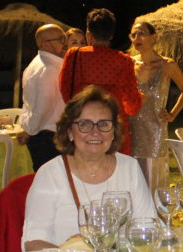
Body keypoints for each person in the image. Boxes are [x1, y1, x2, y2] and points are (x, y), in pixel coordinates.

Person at [22, 86, 156, 250]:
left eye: (104, 124)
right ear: (70, 131)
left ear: (114, 131)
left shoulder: (129, 168)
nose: (95, 132)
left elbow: (148, 228)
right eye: (85, 124)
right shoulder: (50, 174)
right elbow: (33, 242)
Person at [58, 8, 141, 154]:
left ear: (89, 34)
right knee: (115, 171)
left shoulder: (74, 55)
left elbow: (65, 91)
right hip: (114, 126)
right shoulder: (124, 60)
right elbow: (131, 102)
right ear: (111, 35)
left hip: (83, 124)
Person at [127, 18, 183, 185]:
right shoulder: (128, 63)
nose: (137, 38)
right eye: (133, 35)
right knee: (132, 177)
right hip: (130, 128)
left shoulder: (166, 65)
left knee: (153, 179)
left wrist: (172, 114)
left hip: (155, 129)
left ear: (154, 37)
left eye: (141, 34)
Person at [18, 23, 67, 170]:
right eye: (60, 39)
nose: (65, 43)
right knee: (52, 185)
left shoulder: (38, 64)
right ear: (45, 44)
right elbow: (42, 109)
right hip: (48, 138)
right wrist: (29, 131)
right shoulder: (48, 69)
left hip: (44, 136)